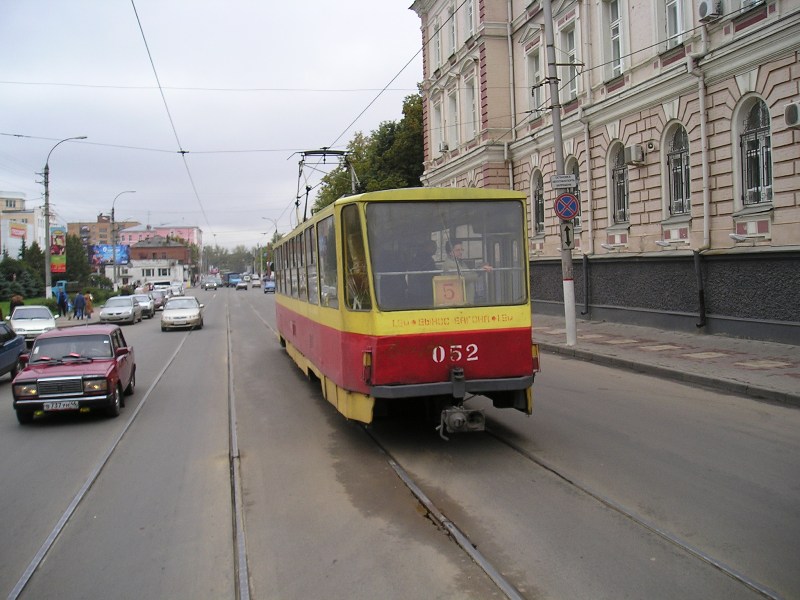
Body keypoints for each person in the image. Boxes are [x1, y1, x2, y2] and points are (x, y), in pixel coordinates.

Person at [407, 239, 438, 307]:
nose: (435, 249)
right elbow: (430, 274)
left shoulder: (417, 257)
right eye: (433, 247)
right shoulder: (427, 259)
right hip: (422, 291)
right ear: (427, 247)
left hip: (414, 290)